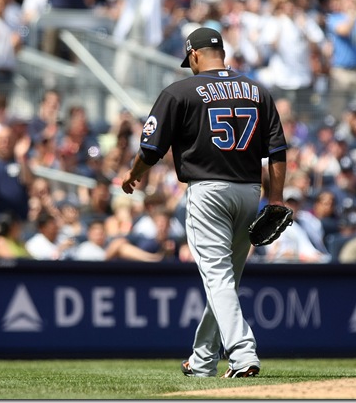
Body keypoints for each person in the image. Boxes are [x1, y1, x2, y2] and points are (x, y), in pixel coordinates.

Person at [121, 27, 288, 378]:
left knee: (218, 279)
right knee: (226, 280)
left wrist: (133, 174)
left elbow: (151, 148)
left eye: (189, 60)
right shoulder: (257, 90)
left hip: (208, 191)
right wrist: (275, 198)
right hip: (248, 191)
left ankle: (243, 354)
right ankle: (202, 360)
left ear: (194, 55)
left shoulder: (180, 91)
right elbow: (277, 151)